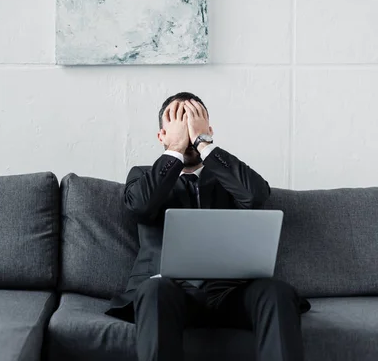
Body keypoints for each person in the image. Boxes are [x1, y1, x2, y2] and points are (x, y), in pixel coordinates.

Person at [105, 92, 310, 361]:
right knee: (154, 291)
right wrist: (175, 150)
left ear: (208, 131)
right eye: (179, 124)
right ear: (161, 136)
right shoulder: (143, 176)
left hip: (231, 292)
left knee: (277, 292)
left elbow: (256, 195)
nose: (188, 133)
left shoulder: (226, 175)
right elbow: (141, 206)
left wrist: (204, 145)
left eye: (193, 124)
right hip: (168, 292)